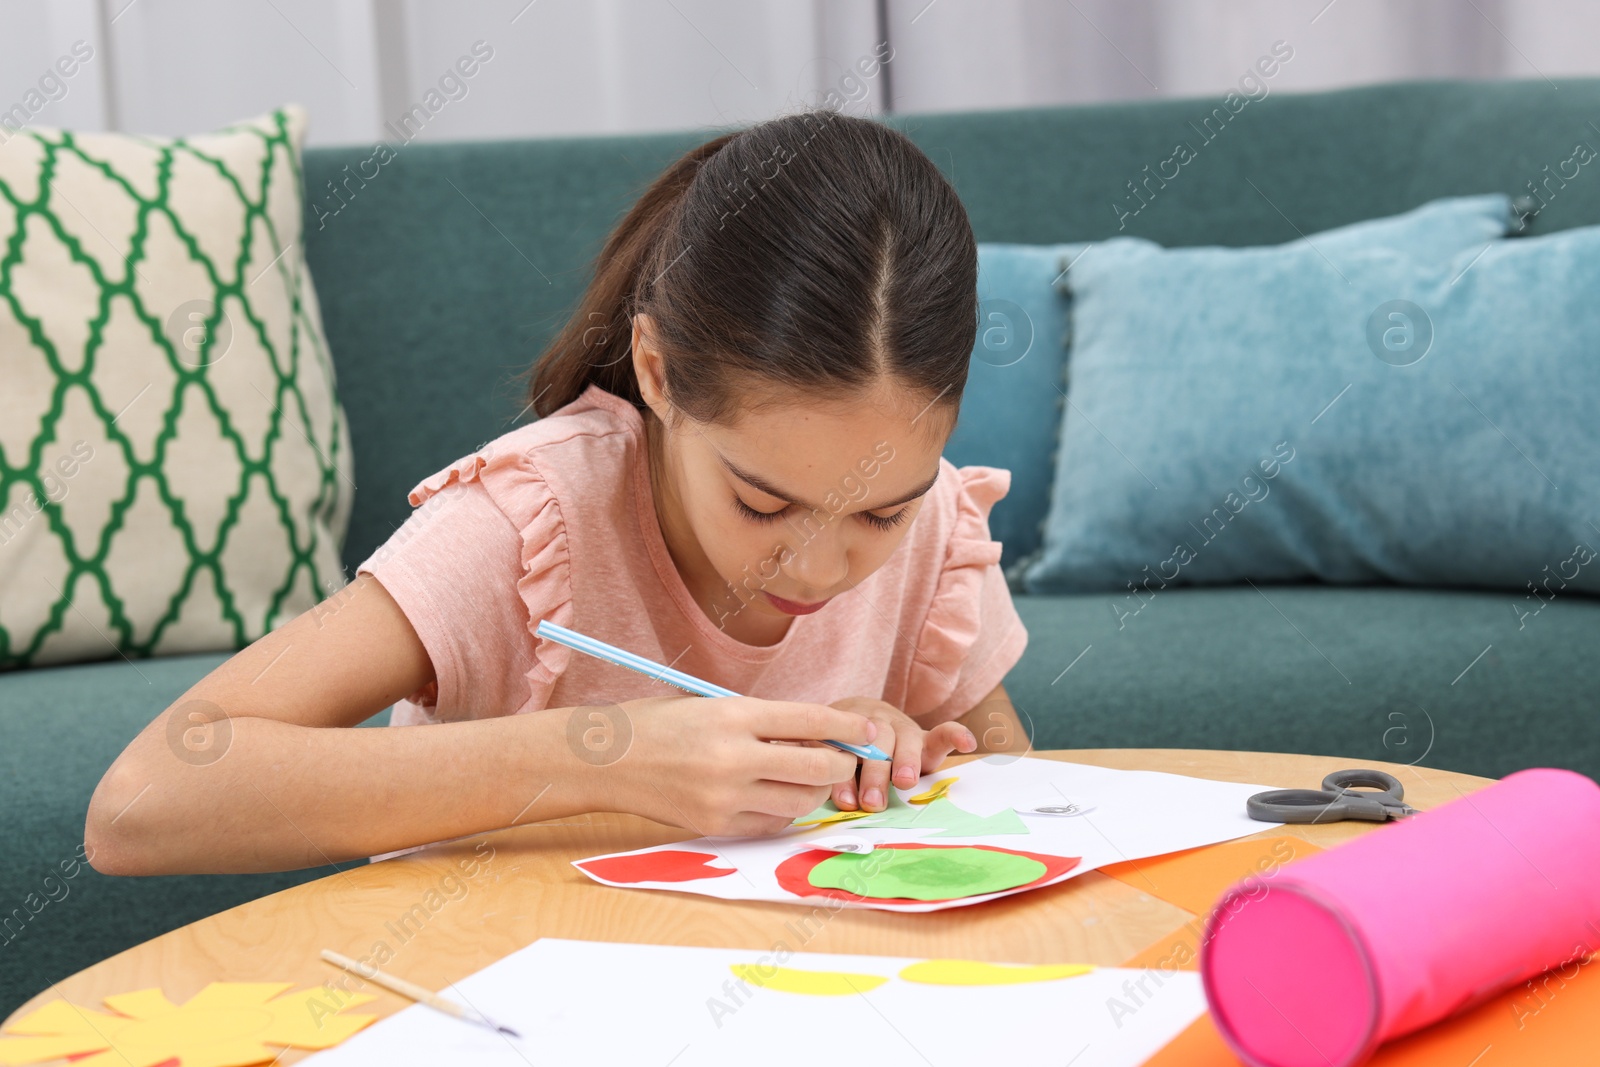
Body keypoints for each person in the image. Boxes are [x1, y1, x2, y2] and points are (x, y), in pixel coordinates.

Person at [85, 107, 1029, 875]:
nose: (821, 568)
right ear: (656, 372)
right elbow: (144, 800)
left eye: (879, 513)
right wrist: (604, 753)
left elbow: (1018, 815)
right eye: (762, 502)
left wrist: (902, 770)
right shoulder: (531, 526)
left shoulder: (939, 521)